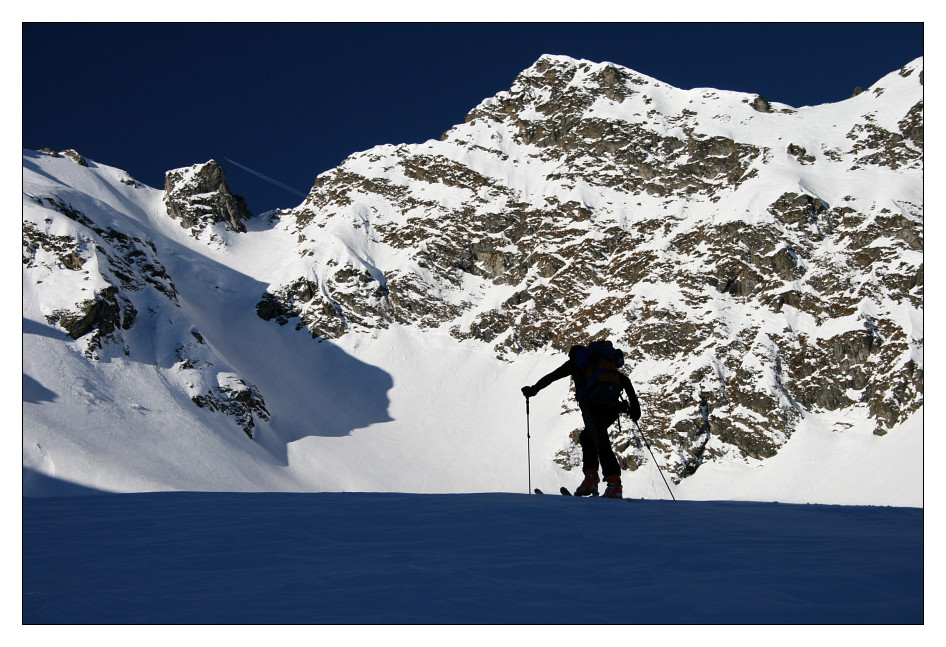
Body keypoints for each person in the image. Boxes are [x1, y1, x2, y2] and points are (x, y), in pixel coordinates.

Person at [521, 340, 641, 498]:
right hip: (611, 409)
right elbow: (625, 381)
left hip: (592, 408)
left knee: (600, 441)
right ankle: (591, 479)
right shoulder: (605, 368)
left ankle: (613, 484)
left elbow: (552, 377)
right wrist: (635, 407)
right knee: (588, 437)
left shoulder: (577, 364)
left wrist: (533, 390)